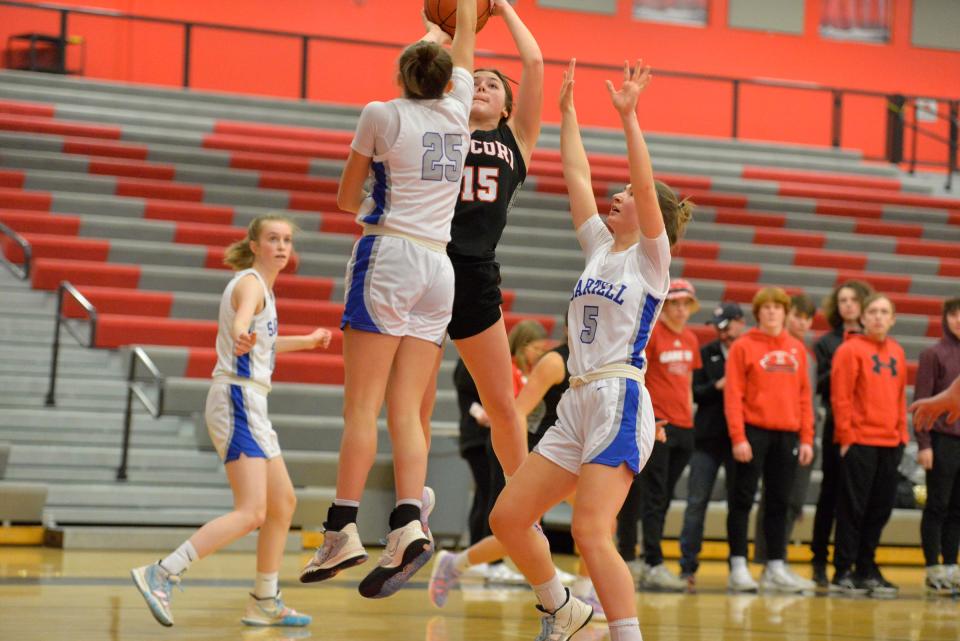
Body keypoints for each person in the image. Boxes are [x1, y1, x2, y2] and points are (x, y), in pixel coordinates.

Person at [488, 58, 693, 641]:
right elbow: (576, 176)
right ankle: (565, 611)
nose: (617, 195)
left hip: (618, 396)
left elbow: (648, 187)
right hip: (577, 401)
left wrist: (629, 117)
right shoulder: (601, 248)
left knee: (590, 532)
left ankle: (625, 635)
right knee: (507, 517)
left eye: (626, 194)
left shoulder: (651, 259)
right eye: (619, 191)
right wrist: (567, 113)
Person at [299, 1, 477, 598]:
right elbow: (459, 57)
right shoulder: (459, 112)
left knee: (361, 407)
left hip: (391, 255)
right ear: (448, 82)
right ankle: (406, 521)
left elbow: (347, 201)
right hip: (439, 266)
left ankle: (342, 526)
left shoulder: (380, 112)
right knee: (408, 410)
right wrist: (469, 17)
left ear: (401, 77)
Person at [131, 215, 332, 627]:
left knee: (282, 504)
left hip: (251, 399)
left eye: (287, 240)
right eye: (272, 239)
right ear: (254, 245)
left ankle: (264, 599)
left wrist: (307, 342)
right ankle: (163, 571)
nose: (281, 246)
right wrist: (241, 332)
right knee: (252, 511)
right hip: (237, 395)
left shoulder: (266, 291)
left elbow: (263, 341)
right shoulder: (250, 284)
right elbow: (243, 322)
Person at [419, 0, 545, 484]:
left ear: (507, 106)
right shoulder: (442, 122)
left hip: (474, 272)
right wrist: (437, 31)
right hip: (427, 261)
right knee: (419, 400)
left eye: (495, 85)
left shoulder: (517, 140)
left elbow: (533, 64)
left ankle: (521, 496)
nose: (484, 87)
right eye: (479, 81)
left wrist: (501, 6)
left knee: (502, 404)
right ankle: (414, 504)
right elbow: (421, 66)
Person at [430, 320, 603, 617]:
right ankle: (455, 564)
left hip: (571, 454)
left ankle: (586, 593)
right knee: (521, 530)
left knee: (596, 520)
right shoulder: (555, 362)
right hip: (539, 453)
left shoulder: (596, 365)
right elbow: (517, 413)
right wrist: (519, 468)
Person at [724, 287, 815, 593]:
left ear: (785, 312)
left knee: (780, 502)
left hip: (788, 434)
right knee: (742, 500)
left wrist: (806, 438)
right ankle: (738, 565)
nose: (773, 312)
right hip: (752, 432)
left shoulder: (797, 349)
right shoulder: (743, 346)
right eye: (767, 307)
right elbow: (733, 394)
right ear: (758, 312)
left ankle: (775, 565)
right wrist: (738, 437)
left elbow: (805, 396)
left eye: (778, 307)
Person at [617, 278, 701, 592]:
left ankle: (647, 556)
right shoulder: (652, 336)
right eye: (674, 303)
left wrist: (689, 419)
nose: (680, 310)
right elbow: (640, 377)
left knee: (664, 497)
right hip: (658, 425)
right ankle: (651, 561)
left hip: (685, 426)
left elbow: (687, 382)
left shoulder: (691, 340)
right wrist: (647, 421)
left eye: (685, 304)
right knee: (651, 496)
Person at [829, 293, 907, 597]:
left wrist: (902, 435)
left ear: (892, 319)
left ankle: (867, 567)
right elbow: (841, 397)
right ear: (863, 318)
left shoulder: (898, 352)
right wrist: (846, 437)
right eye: (872, 311)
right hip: (860, 441)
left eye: (884, 312)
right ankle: (843, 569)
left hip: (891, 442)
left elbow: (901, 397)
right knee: (852, 509)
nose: (877, 316)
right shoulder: (850, 349)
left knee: (880, 510)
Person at [678, 301, 746, 589]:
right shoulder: (705, 353)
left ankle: (738, 566)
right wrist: (717, 386)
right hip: (706, 439)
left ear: (739, 322)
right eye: (717, 326)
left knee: (739, 504)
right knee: (696, 503)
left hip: (738, 440)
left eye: (726, 325)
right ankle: (687, 566)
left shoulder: (748, 353)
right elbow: (693, 391)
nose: (720, 331)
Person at [809, 280, 874, 586]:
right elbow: (819, 384)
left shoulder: (876, 340)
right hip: (837, 423)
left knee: (862, 499)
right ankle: (819, 560)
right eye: (843, 300)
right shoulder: (826, 343)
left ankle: (858, 564)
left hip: (869, 428)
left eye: (853, 299)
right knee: (831, 494)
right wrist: (842, 362)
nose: (848, 304)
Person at [754, 294, 819, 563]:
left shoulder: (808, 356)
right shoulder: (763, 348)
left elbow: (808, 399)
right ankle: (764, 556)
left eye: (807, 319)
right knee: (772, 498)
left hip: (799, 433)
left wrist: (808, 436)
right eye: (796, 317)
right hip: (768, 430)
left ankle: (778, 558)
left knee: (792, 501)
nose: (801, 323)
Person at [913, 297, 960, 595]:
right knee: (937, 506)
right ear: (946, 318)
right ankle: (933, 567)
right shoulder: (933, 353)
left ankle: (952, 565)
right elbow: (923, 402)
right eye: (954, 315)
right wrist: (924, 444)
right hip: (942, 441)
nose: (959, 320)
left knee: (958, 508)